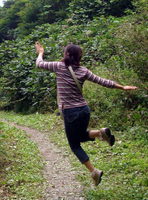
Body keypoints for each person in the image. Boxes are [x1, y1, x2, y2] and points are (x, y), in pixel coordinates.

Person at [35, 42, 137, 186]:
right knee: (82, 135)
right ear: (79, 57)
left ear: (66, 54)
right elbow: (102, 81)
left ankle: (94, 171)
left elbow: (39, 64)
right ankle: (101, 133)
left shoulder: (58, 66)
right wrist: (122, 87)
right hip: (84, 110)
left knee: (75, 145)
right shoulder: (83, 71)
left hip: (70, 112)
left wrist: (40, 52)